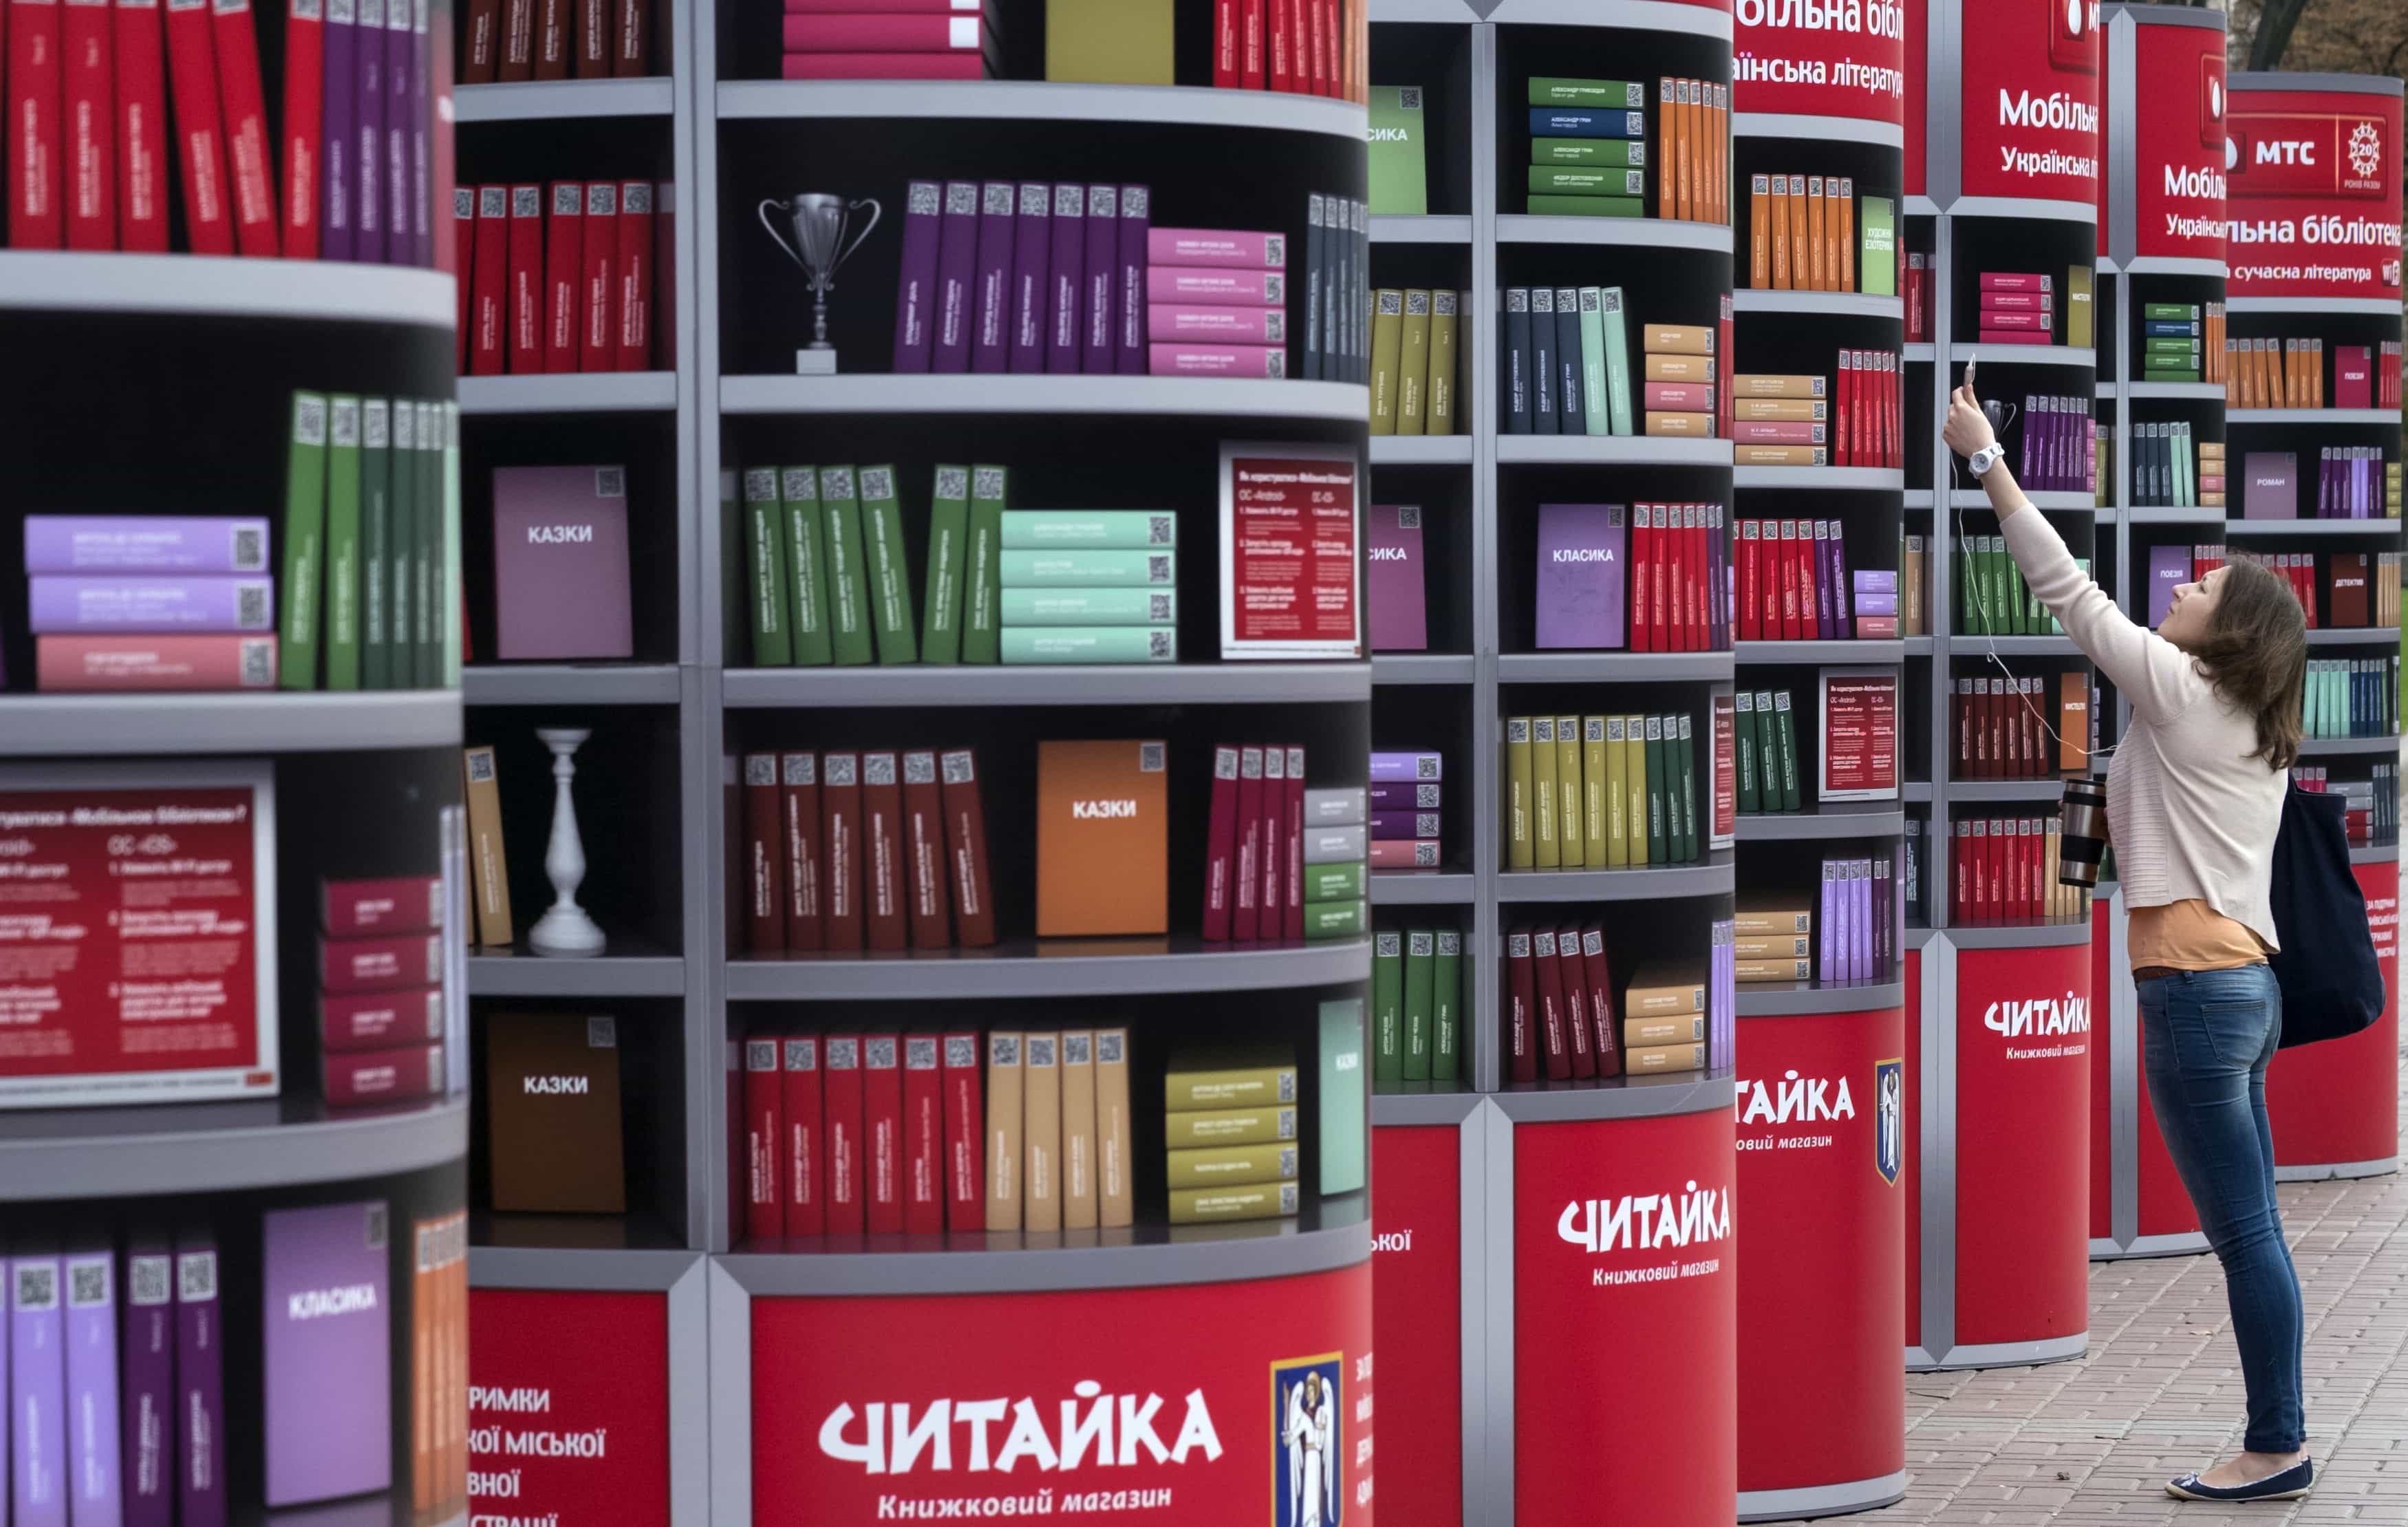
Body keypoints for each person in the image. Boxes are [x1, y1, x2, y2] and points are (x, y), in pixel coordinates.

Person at [1946, 385, 2312, 1503]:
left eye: (2201, 587)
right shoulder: (2246, 723)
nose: (2181, 588)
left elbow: (2067, 589)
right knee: (2255, 1230)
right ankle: (2279, 1436)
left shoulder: (2189, 693)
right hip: (2239, 987)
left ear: (2231, 630)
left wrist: (1984, 460)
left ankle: (2277, 1445)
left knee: (2245, 1234)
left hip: (2200, 997)